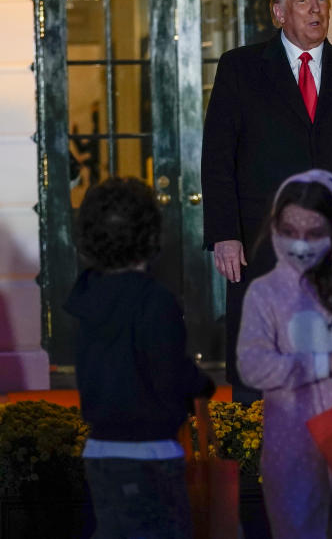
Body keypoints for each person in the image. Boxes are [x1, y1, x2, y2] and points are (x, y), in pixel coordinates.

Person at [202, 0, 332, 403]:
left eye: (322, 1)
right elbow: (217, 157)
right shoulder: (240, 68)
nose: (317, 10)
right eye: (304, 1)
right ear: (278, 13)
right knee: (261, 350)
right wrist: (224, 234)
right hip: (259, 239)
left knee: (331, 350)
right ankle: (255, 451)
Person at [237, 170, 332, 539]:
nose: (300, 244)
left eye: (314, 233)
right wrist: (323, 364)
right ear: (275, 227)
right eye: (290, 231)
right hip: (292, 448)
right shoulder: (264, 293)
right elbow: (252, 366)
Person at [65, 177, 216, 538]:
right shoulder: (154, 301)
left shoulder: (85, 295)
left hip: (100, 448)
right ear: (150, 235)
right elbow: (168, 371)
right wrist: (201, 383)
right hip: (150, 451)